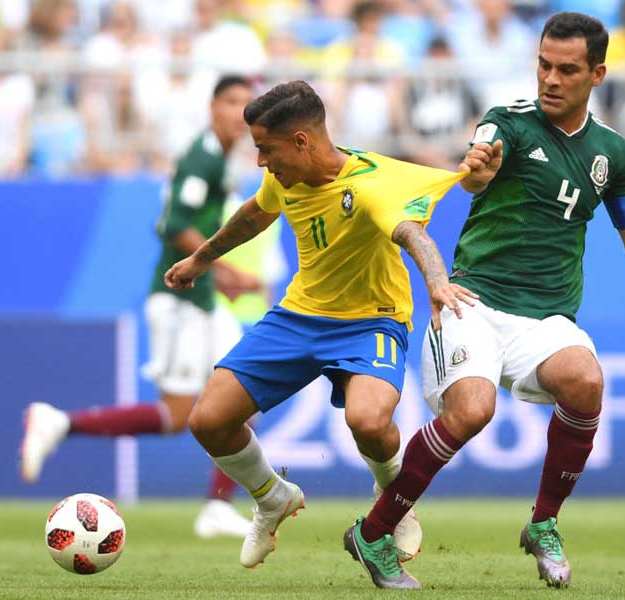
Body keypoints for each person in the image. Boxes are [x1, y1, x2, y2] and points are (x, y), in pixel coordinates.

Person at [345, 12, 625, 590]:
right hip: (471, 301)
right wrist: (478, 168)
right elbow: (478, 167)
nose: (551, 80)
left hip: (546, 316)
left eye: (566, 70)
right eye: (543, 65)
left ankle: (543, 524)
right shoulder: (508, 124)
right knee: (472, 411)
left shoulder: (612, 153)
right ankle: (375, 532)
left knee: (586, 380)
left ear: (597, 74)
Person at [164, 80, 481, 585]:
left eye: (266, 149)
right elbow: (254, 214)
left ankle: (393, 503)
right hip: (300, 314)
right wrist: (200, 259)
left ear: (302, 142)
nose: (262, 162)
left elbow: (411, 233)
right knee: (209, 420)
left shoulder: (371, 184)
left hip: (371, 318)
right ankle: (272, 498)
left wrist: (437, 282)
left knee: (369, 420)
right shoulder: (287, 178)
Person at [20, 75, 263, 539]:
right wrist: (225, 271)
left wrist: (220, 279)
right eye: (232, 102)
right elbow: (173, 224)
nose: (240, 112)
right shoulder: (202, 157)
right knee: (176, 417)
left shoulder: (220, 158)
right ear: (212, 106)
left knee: (248, 387)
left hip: (201, 298)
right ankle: (59, 422)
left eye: (246, 104)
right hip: (177, 299)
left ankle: (217, 505)